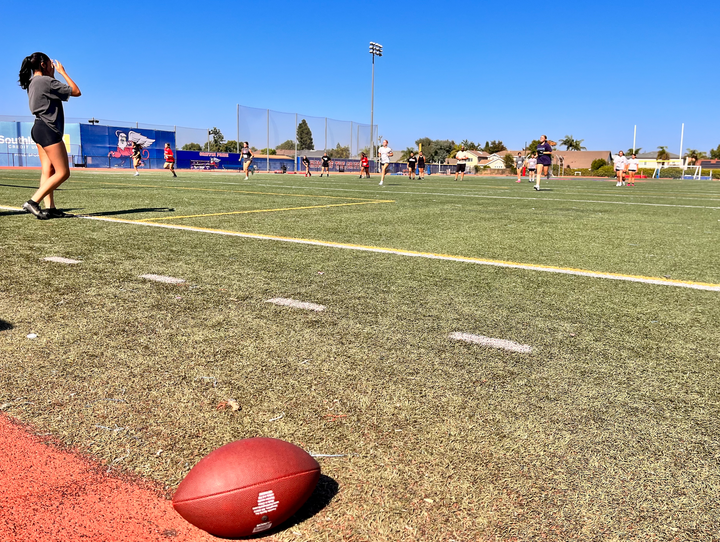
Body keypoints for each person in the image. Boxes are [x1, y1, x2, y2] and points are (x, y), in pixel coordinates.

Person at [18, 53, 81, 219]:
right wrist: (62, 73)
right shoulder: (46, 81)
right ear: (43, 64)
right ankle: (33, 201)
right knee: (63, 172)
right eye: (50, 64)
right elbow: (76, 91)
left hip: (38, 127)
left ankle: (50, 208)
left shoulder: (32, 82)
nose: (53, 66)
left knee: (48, 169)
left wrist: (52, 75)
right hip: (48, 129)